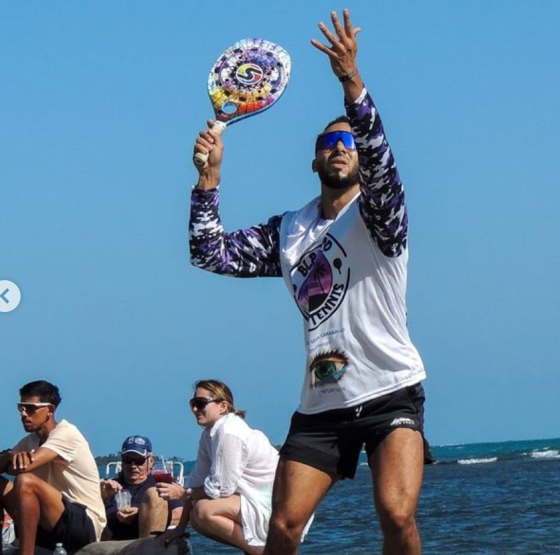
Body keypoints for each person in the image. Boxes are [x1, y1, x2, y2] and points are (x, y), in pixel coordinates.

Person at [188, 9, 431, 554]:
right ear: (315, 160)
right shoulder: (290, 230)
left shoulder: (379, 214)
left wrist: (351, 81)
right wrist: (209, 181)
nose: (342, 146)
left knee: (396, 515)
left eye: (349, 140)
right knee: (282, 525)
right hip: (321, 404)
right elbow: (209, 252)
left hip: (390, 389)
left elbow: (382, 160)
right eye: (329, 142)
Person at [157, 380, 284, 555]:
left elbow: (221, 489)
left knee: (203, 511)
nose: (195, 409)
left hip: (273, 503)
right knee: (196, 513)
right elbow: (196, 482)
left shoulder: (229, 432)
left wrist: (182, 494)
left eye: (200, 404)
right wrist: (179, 528)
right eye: (193, 404)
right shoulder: (209, 435)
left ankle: (261, 552)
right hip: (253, 499)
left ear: (223, 406)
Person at [0, 380, 106, 555]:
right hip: (51, 524)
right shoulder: (30, 441)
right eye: (21, 408)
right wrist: (9, 456)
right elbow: (13, 462)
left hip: (84, 524)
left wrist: (12, 463)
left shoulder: (66, 433)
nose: (24, 414)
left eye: (30, 408)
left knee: (26, 481)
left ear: (49, 410)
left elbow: (25, 466)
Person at [99, 435, 183, 540]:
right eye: (127, 459)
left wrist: (142, 514)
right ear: (122, 461)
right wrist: (102, 496)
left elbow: (178, 515)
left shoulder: (162, 484)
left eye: (139, 460)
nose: (133, 465)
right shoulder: (110, 487)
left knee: (155, 495)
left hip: (146, 544)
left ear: (150, 461)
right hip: (110, 545)